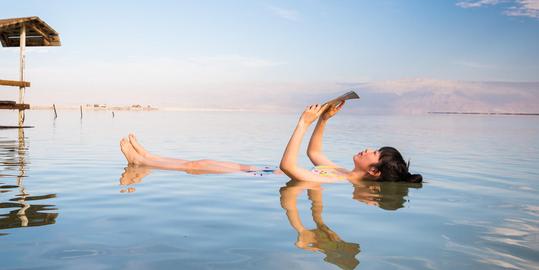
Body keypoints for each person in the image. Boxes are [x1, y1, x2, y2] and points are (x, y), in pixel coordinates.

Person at [119, 101, 422, 184]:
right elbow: (314, 153)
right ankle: (148, 156)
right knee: (204, 159)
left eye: (375, 154)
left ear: (374, 171)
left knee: (199, 166)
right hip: (262, 170)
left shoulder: (336, 182)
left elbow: (289, 166)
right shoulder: (341, 172)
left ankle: (142, 162)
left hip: (258, 178)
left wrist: (303, 122)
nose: (369, 149)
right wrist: (324, 119)